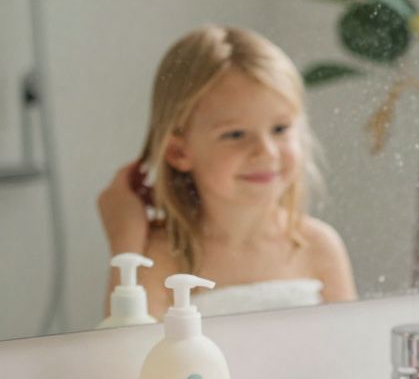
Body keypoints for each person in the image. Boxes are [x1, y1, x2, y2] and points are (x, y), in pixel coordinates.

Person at [97, 25, 356, 319]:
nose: (267, 152)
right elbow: (125, 356)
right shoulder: (162, 258)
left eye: (280, 129)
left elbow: (350, 355)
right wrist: (126, 244)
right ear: (178, 152)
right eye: (235, 134)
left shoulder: (319, 247)